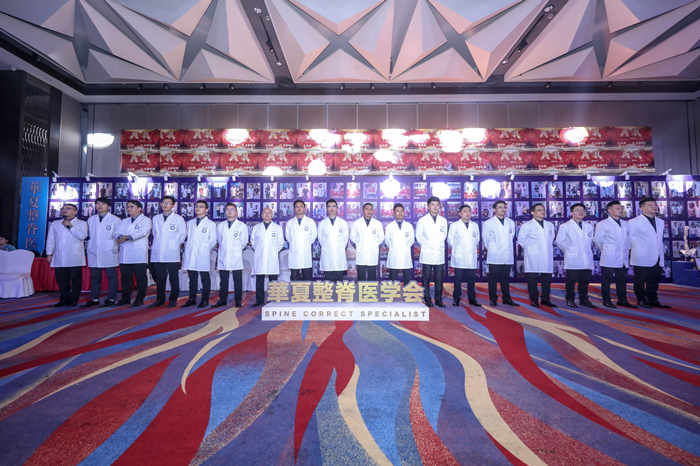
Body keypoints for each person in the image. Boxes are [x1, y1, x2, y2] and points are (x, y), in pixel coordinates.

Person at [628, 197, 671, 309]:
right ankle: (641, 300)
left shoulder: (660, 222)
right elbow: (628, 239)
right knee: (640, 280)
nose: (654, 207)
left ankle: (653, 300)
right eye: (650, 205)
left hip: (657, 256)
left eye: (655, 205)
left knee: (654, 279)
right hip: (641, 256)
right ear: (642, 208)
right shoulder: (633, 222)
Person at [594, 200, 635, 308]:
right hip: (609, 256)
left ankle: (622, 300)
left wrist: (627, 249)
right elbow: (597, 240)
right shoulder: (602, 224)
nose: (620, 210)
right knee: (606, 280)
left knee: (622, 280)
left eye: (621, 208)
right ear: (609, 210)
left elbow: (629, 239)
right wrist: (607, 249)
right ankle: (606, 300)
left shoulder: (626, 224)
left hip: (623, 257)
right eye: (617, 208)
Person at [45, 203, 88, 307]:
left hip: (75, 257)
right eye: (63, 208)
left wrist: (70, 226)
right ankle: (64, 299)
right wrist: (49, 253)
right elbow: (51, 239)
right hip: (59, 257)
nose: (65, 210)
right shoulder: (55, 223)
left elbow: (83, 236)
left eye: (68, 208)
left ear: (75, 212)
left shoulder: (82, 223)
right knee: (61, 281)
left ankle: (74, 300)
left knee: (75, 281)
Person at [555, 203, 596, 308]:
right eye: (577, 210)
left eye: (582, 210)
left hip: (586, 258)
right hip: (572, 258)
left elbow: (591, 241)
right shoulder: (565, 226)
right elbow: (559, 241)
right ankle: (570, 299)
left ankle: (584, 300)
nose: (581, 212)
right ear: (572, 213)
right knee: (571, 282)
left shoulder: (589, 226)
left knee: (585, 281)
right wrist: (569, 250)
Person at [83, 197, 121, 307]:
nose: (100, 206)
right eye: (98, 204)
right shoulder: (91, 219)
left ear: (108, 207)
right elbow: (87, 235)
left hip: (109, 251)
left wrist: (116, 246)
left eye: (103, 204)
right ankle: (94, 298)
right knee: (94, 277)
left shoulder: (115, 220)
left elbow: (118, 235)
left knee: (111, 276)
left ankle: (111, 298)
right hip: (94, 251)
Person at [150, 195, 186, 308]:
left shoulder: (179, 219)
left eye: (168, 203)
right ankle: (160, 299)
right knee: (160, 278)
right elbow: (155, 234)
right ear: (161, 204)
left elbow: (182, 234)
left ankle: (173, 299)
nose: (165, 205)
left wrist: (173, 244)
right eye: (163, 202)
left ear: (173, 205)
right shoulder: (155, 218)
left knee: (173, 277)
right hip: (158, 252)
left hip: (172, 252)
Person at [516, 203, 555, 308]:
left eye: (543, 210)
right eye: (539, 210)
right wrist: (531, 249)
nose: (542, 212)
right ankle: (534, 300)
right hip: (532, 256)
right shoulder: (527, 225)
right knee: (532, 279)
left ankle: (545, 299)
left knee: (546, 279)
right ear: (532, 212)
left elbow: (551, 238)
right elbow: (521, 240)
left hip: (546, 255)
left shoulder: (550, 225)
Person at [115, 200, 152, 307]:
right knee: (126, 278)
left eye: (131, 207)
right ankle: (125, 298)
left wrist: (126, 237)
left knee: (141, 278)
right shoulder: (124, 221)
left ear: (139, 209)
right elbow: (117, 232)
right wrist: (119, 237)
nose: (129, 209)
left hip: (138, 253)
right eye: (128, 207)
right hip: (125, 253)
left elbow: (142, 232)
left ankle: (140, 298)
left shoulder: (146, 220)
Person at [482, 200, 518, 306]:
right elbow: (486, 240)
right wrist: (493, 248)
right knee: (492, 279)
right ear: (494, 209)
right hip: (494, 255)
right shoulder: (488, 223)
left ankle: (507, 299)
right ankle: (493, 299)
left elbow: (511, 236)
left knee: (505, 279)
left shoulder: (511, 222)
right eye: (500, 207)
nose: (503, 209)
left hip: (507, 254)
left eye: (504, 207)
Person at [182, 200, 217, 308]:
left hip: (203, 254)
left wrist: (205, 249)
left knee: (204, 278)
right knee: (192, 278)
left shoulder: (211, 224)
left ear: (206, 210)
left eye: (201, 207)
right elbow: (186, 238)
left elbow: (213, 240)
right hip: (191, 253)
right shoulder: (189, 223)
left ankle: (205, 299)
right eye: (196, 206)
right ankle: (191, 299)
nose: (198, 208)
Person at [416, 196, 448, 307]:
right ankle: (427, 299)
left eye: (437, 205)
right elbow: (419, 236)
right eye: (432, 205)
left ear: (440, 207)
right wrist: (428, 244)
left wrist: (436, 244)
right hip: (427, 253)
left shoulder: (443, 220)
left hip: (439, 253)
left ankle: (438, 299)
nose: (435, 207)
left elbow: (444, 235)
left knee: (439, 279)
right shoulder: (422, 220)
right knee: (426, 278)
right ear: (428, 206)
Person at [215, 202, 249, 307]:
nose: (229, 212)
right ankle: (222, 300)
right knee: (223, 281)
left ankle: (238, 300)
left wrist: (235, 249)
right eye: (227, 210)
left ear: (236, 212)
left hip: (236, 256)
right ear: (225, 212)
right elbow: (219, 240)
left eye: (232, 210)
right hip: (223, 256)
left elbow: (244, 242)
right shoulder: (220, 226)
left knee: (237, 280)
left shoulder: (242, 226)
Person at [447, 204, 481, 307]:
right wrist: (458, 248)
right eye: (465, 211)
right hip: (459, 256)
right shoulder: (454, 225)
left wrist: (470, 247)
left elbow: (477, 239)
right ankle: (456, 299)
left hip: (471, 256)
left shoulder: (475, 225)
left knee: (471, 280)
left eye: (469, 211)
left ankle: (472, 299)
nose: (467, 213)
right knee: (457, 280)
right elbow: (450, 240)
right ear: (460, 214)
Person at [251, 207, 284, 305]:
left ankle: (273, 300)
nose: (267, 214)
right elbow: (253, 241)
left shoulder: (277, 228)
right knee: (259, 280)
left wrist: (273, 251)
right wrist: (259, 250)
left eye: (269, 213)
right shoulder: (256, 227)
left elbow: (280, 243)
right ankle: (259, 300)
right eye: (265, 213)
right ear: (262, 215)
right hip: (260, 256)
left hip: (272, 256)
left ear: (272, 215)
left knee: (273, 279)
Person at [350, 203, 384, 281]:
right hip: (361, 255)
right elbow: (352, 238)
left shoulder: (377, 223)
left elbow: (381, 238)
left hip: (372, 255)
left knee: (372, 280)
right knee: (361, 279)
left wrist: (373, 245)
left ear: (373, 211)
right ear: (363, 211)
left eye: (371, 209)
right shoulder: (357, 223)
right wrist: (359, 245)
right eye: (367, 209)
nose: (369, 211)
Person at [285, 199, 317, 281]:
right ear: (294, 209)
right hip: (294, 254)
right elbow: (288, 237)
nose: (299, 208)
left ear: (304, 208)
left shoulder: (310, 222)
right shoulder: (290, 223)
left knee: (307, 280)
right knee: (294, 280)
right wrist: (296, 244)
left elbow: (313, 236)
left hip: (306, 254)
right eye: (297, 207)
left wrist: (304, 244)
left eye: (301, 206)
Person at [317, 198, 349, 281]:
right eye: (329, 206)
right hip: (327, 256)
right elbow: (320, 239)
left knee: (339, 284)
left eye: (334, 206)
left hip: (339, 256)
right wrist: (328, 246)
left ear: (337, 208)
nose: (331, 208)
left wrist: (338, 247)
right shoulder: (322, 223)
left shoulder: (343, 223)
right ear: (326, 209)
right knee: (328, 284)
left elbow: (345, 239)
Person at [384, 203, 415, 285]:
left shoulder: (409, 226)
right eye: (397, 211)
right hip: (394, 254)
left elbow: (411, 240)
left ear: (404, 212)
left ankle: (406, 292)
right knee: (393, 280)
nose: (400, 213)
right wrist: (394, 247)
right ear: (394, 213)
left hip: (405, 255)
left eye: (402, 211)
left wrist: (404, 247)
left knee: (407, 279)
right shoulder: (389, 226)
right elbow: (387, 240)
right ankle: (393, 292)